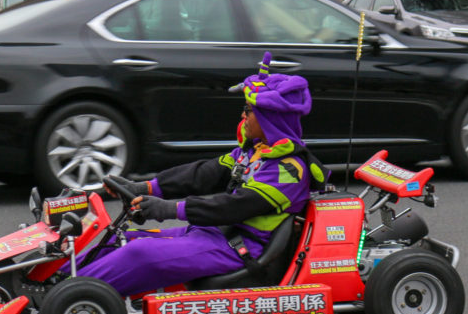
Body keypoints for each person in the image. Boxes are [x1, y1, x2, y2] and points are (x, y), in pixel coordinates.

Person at [76, 55, 328, 297]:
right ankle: (57, 281)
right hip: (214, 233)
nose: (243, 116)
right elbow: (203, 174)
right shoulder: (253, 153)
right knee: (124, 240)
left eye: (248, 110)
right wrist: (146, 188)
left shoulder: (289, 170)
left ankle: (70, 294)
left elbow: (234, 206)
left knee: (140, 253)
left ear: (269, 117)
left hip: (239, 248)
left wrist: (170, 209)